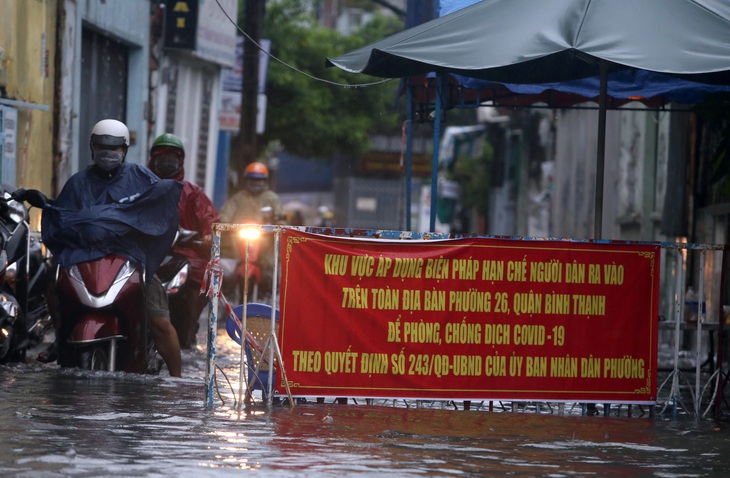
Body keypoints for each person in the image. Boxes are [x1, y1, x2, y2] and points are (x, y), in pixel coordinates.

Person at [38, 119, 183, 377]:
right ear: (92, 148)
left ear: (124, 150)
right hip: (84, 259)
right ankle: (59, 340)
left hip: (130, 259)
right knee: (52, 286)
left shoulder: (141, 178)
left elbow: (161, 209)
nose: (108, 153)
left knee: (160, 322)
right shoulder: (77, 183)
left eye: (114, 148)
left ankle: (177, 379)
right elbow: (62, 218)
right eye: (102, 146)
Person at [148, 133, 219, 348]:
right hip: (145, 252)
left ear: (181, 160)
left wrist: (208, 236)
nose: (167, 159)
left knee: (202, 278)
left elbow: (210, 219)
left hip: (184, 254)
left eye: (173, 155)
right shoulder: (141, 185)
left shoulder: (192, 192)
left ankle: (186, 332)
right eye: (162, 154)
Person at [219, 162, 283, 298]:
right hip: (238, 242)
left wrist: (278, 223)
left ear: (265, 181)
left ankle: (267, 298)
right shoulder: (238, 198)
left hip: (265, 244)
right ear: (247, 180)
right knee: (226, 270)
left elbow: (280, 218)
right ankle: (226, 300)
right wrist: (223, 223)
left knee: (270, 271)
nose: (256, 182)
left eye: (259, 179)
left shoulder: (272, 199)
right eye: (253, 179)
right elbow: (225, 214)